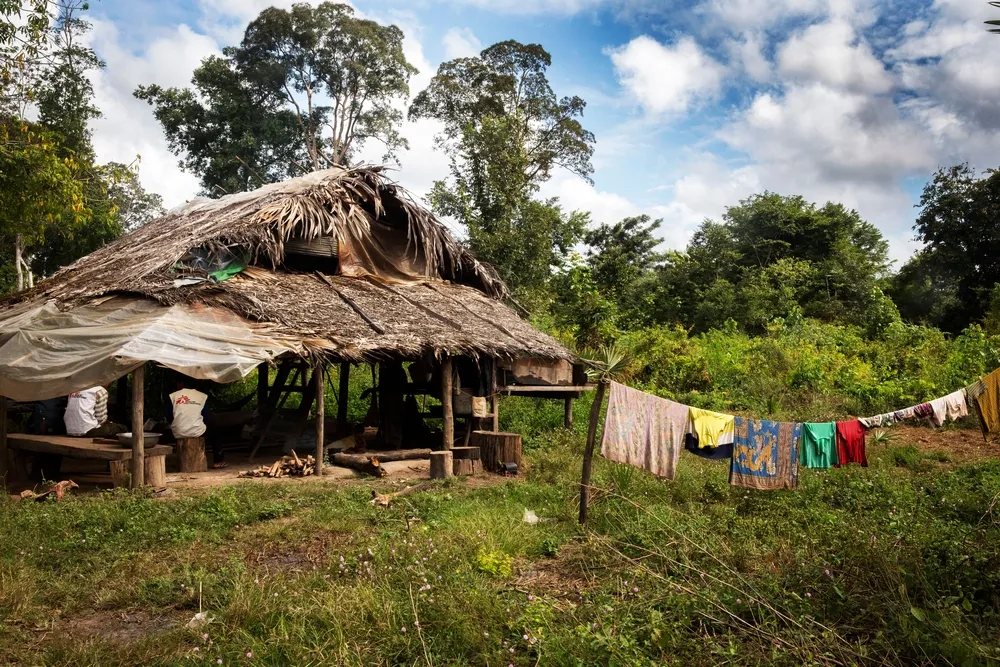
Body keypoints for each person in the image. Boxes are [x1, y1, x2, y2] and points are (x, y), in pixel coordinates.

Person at [167, 380, 225, 468]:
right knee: (215, 433)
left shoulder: (173, 396)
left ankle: (180, 461)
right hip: (198, 431)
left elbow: (169, 416)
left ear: (180, 384)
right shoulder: (201, 396)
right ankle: (218, 461)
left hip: (177, 432)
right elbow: (206, 417)